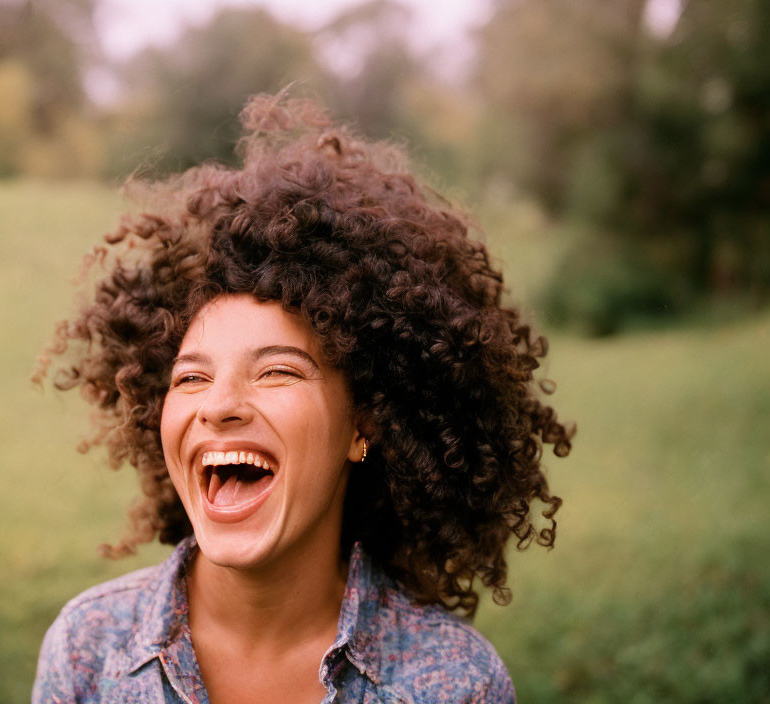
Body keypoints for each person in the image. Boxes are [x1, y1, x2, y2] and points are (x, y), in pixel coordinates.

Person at [32, 94, 573, 704]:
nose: (219, 406)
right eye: (191, 378)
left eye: (277, 373)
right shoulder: (86, 650)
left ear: (363, 424)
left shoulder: (452, 683)